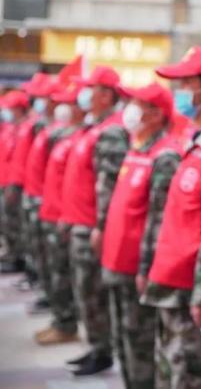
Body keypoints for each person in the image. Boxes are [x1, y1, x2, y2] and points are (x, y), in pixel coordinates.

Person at [142, 47, 201, 389]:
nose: (177, 93)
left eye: (184, 84)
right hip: (170, 283)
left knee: (189, 378)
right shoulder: (195, 142)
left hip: (190, 293)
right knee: (167, 374)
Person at [100, 83, 181, 389]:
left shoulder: (165, 156)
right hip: (117, 263)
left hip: (138, 269)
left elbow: (159, 220)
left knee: (141, 344)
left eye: (138, 103)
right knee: (123, 340)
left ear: (157, 114)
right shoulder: (136, 149)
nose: (129, 109)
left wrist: (147, 267)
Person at [59, 66, 129, 376]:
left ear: (105, 95)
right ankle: (97, 346)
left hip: (92, 227)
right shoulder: (94, 127)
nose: (85, 96)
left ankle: (103, 351)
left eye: (92, 89)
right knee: (85, 292)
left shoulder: (111, 131)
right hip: (81, 223)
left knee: (94, 293)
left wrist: (100, 225)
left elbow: (108, 187)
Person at [35, 83, 87, 345]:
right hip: (54, 213)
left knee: (64, 275)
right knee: (55, 271)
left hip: (67, 219)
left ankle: (66, 324)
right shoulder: (66, 136)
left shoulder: (85, 137)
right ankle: (61, 321)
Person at [22, 75, 64, 314]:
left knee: (54, 261)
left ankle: (60, 309)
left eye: (42, 97)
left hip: (51, 206)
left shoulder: (58, 132)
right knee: (43, 255)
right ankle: (48, 294)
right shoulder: (45, 127)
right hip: (39, 199)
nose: (37, 101)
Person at [0, 90, 31, 274]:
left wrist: (14, 182)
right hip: (5, 181)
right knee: (6, 220)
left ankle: (17, 257)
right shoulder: (11, 128)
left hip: (15, 183)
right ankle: (11, 253)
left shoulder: (25, 128)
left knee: (14, 221)